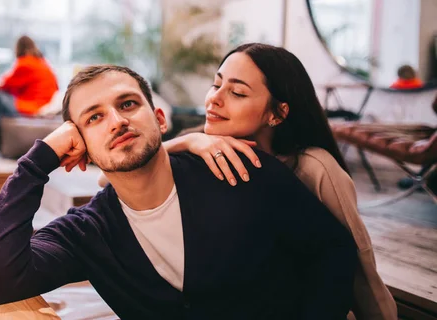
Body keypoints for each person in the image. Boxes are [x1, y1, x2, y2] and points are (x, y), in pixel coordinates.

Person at [0, 64, 357, 319]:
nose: (116, 121)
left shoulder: (238, 170)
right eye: (94, 117)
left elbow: (332, 251)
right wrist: (39, 161)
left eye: (128, 104)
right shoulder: (88, 233)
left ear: (160, 119)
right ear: (78, 150)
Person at [144, 43, 397, 320]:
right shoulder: (201, 150)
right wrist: (188, 141)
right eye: (216, 85)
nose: (214, 99)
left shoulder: (314, 168)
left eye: (237, 92)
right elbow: (108, 183)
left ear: (277, 113)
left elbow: (358, 265)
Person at [0, 35, 58, 152]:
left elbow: (5, 84)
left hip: (32, 106)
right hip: (44, 104)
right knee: (1, 100)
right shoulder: (42, 63)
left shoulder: (25, 63)